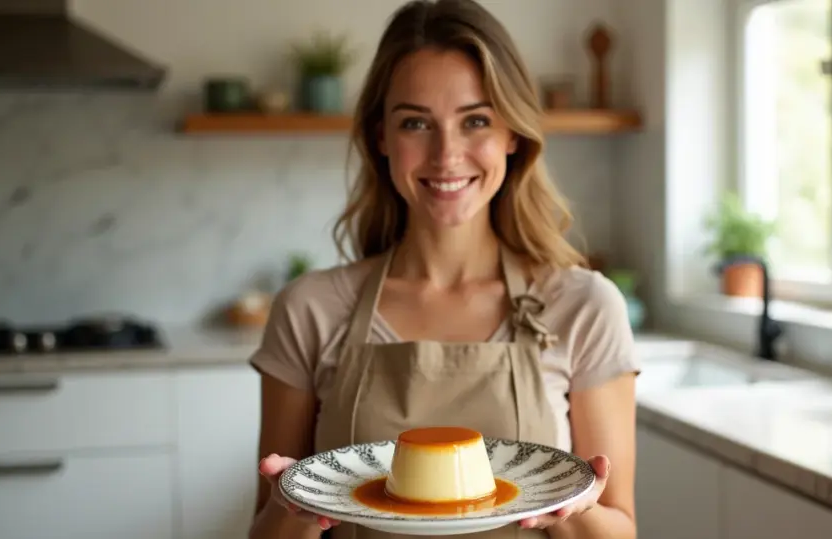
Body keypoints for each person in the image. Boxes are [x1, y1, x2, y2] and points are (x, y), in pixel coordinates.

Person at [247, 0, 639, 537]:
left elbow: (621, 529)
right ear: (381, 137)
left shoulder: (584, 307)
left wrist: (575, 508)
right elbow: (265, 532)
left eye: (476, 120)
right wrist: (296, 508)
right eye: (415, 123)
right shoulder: (309, 310)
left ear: (512, 133)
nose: (446, 154)